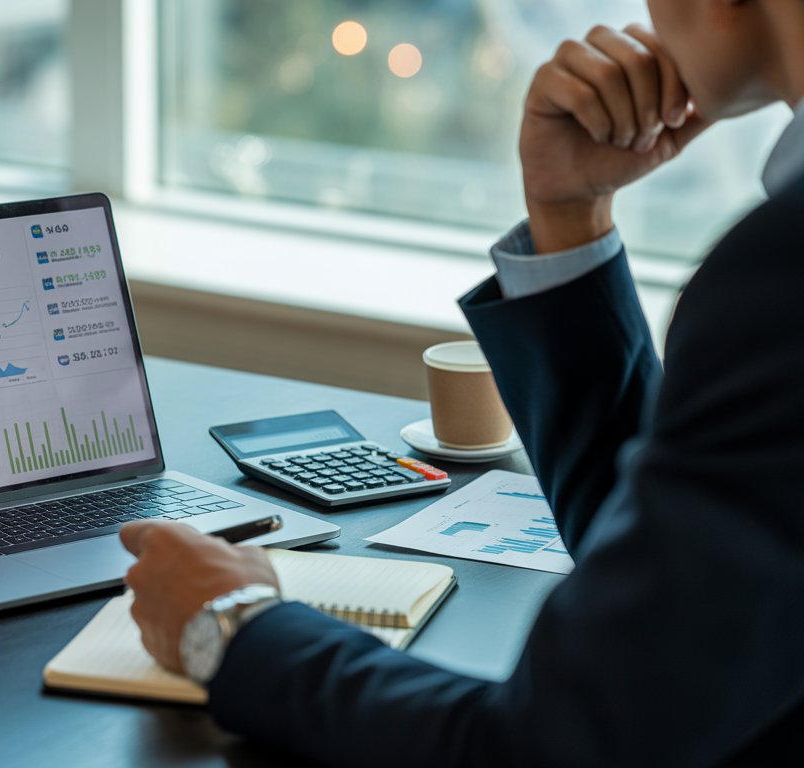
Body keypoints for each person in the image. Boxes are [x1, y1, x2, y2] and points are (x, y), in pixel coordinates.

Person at [119, 1, 804, 764]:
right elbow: (678, 607)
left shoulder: (781, 274)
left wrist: (232, 629)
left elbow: (547, 750)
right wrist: (566, 213)